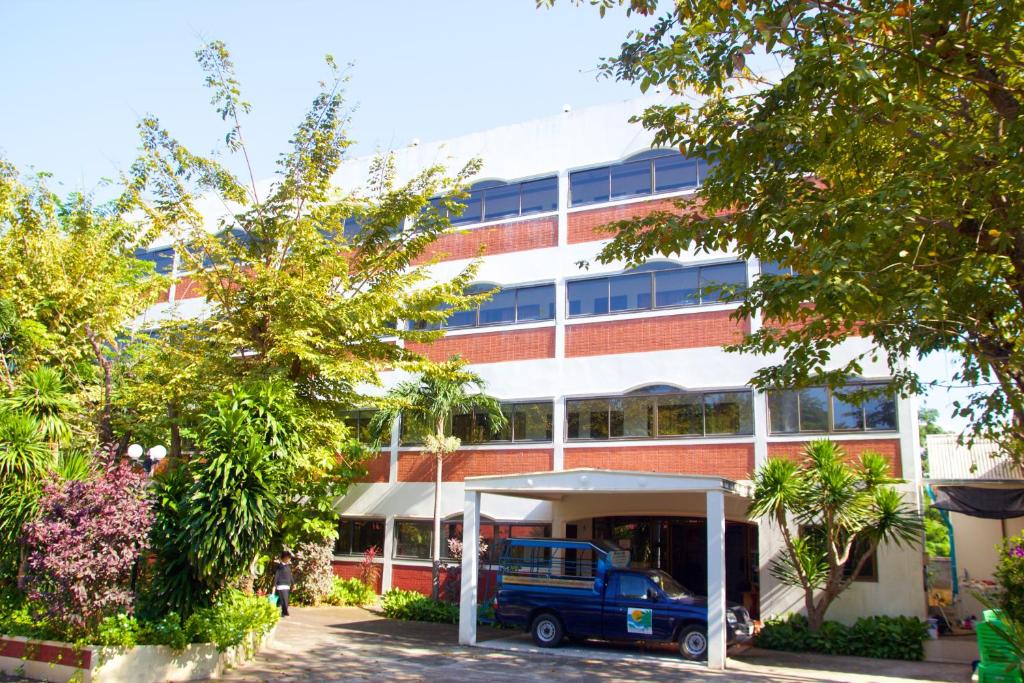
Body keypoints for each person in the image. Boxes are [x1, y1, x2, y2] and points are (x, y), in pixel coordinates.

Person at [273, 550, 294, 617]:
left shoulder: (288, 566)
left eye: (289, 557)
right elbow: (276, 575)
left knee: (283, 600)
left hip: (287, 586)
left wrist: (293, 584)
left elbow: (290, 576)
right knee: (284, 600)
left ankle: (281, 612)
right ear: (284, 557)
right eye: (288, 557)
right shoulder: (280, 566)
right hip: (281, 585)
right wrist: (274, 585)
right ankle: (285, 612)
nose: (289, 559)